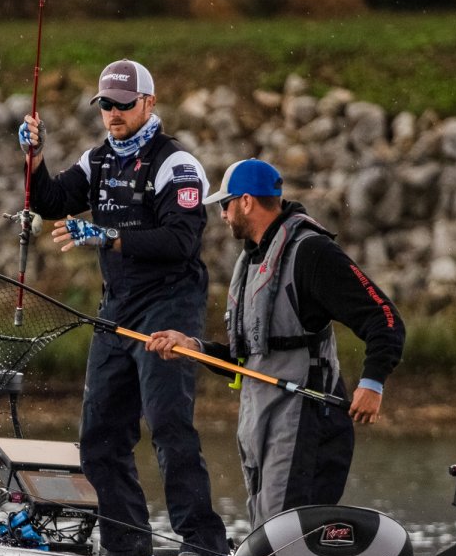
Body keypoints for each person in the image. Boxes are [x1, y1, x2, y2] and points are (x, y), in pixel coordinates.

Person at [17, 59, 227, 556]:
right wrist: (34, 156)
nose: (113, 114)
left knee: (168, 424)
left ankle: (203, 546)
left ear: (149, 104)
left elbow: (181, 240)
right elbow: (49, 201)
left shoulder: (177, 165)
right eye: (105, 105)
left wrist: (108, 236)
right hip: (116, 311)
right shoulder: (99, 161)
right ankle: (128, 548)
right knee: (99, 437)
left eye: (123, 105)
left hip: (169, 305)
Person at [146, 159, 405, 529]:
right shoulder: (255, 260)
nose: (222, 215)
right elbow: (248, 357)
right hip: (261, 422)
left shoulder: (312, 253)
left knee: (283, 537)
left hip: (306, 426)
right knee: (266, 532)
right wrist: (192, 346)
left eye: (226, 204)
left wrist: (372, 382)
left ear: (247, 201)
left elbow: (386, 318)